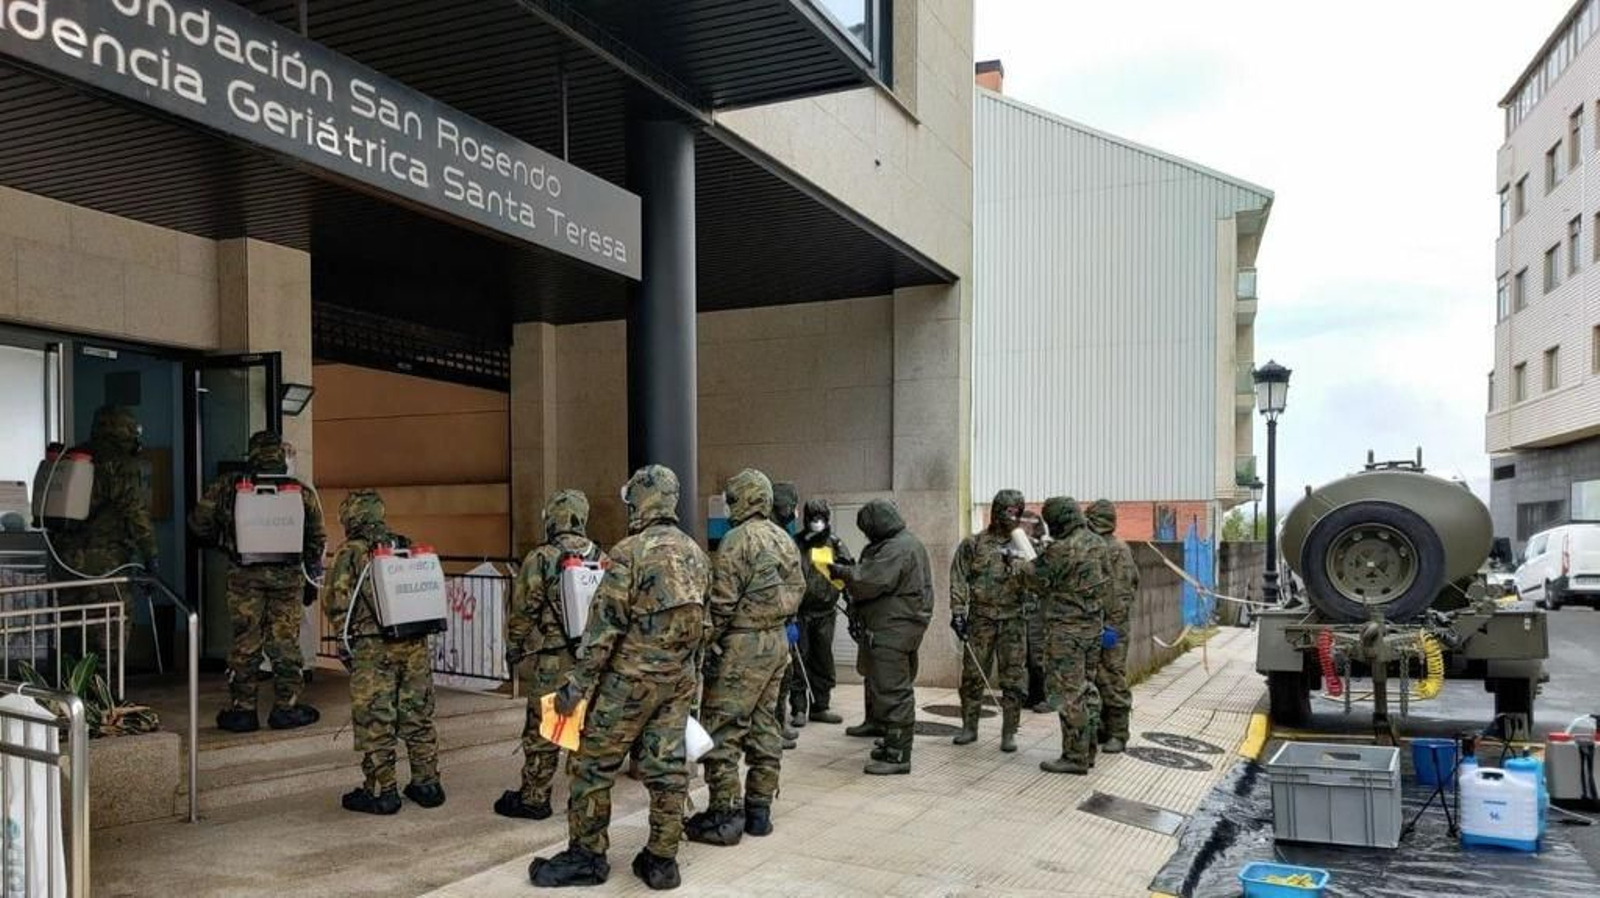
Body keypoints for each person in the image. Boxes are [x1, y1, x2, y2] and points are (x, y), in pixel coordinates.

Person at [530, 465, 709, 891]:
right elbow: (706, 624)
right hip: (677, 682)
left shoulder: (629, 553)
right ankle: (662, 861)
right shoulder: (696, 554)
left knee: (591, 766)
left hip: (627, 684)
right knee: (667, 770)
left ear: (642, 500)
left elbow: (604, 628)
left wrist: (577, 687)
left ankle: (587, 857)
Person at [685, 469, 804, 846]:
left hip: (742, 646)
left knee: (722, 728)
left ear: (743, 499)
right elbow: (798, 588)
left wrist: (705, 642)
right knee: (765, 725)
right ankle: (759, 811)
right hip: (776, 642)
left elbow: (722, 602)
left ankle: (724, 814)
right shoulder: (783, 539)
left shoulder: (737, 540)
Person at [189, 430, 324, 733]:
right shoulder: (298, 491)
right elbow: (316, 537)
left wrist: (224, 541)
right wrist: (309, 573)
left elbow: (199, 522)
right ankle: (286, 708)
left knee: (245, 640)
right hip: (287, 578)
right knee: (284, 641)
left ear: (251, 455)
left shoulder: (229, 486)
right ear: (280, 455)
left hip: (244, 575)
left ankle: (243, 711)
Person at [321, 489, 444, 813]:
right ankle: (427, 785)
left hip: (374, 647)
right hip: (414, 642)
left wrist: (345, 635)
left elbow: (334, 600)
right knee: (417, 715)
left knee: (376, 718)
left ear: (351, 517)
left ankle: (382, 791)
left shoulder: (350, 551)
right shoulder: (403, 544)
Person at [496, 489, 608, 820]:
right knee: (585, 730)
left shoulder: (542, 557)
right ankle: (584, 801)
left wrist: (514, 646)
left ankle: (535, 797)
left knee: (545, 728)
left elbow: (524, 610)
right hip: (594, 660)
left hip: (554, 659)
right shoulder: (601, 557)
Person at [830, 499, 932, 775]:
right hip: (896, 626)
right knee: (886, 685)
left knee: (893, 690)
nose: (866, 535)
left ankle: (898, 754)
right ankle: (891, 742)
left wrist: (840, 571)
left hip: (893, 629)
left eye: (867, 529)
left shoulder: (898, 547)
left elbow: (870, 580)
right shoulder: (902, 543)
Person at [51, 406, 158, 613]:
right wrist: (151, 556)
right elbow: (136, 512)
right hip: (104, 567)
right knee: (109, 628)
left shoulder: (72, 457)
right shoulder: (121, 463)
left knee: (71, 626)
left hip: (64, 562)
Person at [948, 489, 1031, 752]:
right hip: (981, 619)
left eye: (1017, 512)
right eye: (1009, 511)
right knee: (973, 675)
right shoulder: (973, 544)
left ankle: (1009, 732)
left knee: (1013, 678)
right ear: (996, 511)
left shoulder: (1024, 545)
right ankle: (969, 727)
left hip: (1013, 620)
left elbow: (1039, 580)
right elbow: (958, 577)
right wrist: (958, 612)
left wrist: (1020, 566)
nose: (1013, 517)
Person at [1031, 497, 1108, 775]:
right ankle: (1088, 750)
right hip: (1093, 628)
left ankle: (1074, 757)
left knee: (1069, 693)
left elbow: (1035, 578)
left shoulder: (1062, 548)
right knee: (1088, 689)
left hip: (1066, 631)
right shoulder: (1099, 543)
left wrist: (1018, 565)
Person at [791, 498, 853, 724]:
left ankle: (821, 706)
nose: (817, 522)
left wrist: (852, 603)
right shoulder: (796, 543)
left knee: (823, 660)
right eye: (813, 517)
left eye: (821, 518)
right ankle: (799, 708)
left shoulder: (835, 544)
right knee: (799, 660)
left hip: (825, 613)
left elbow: (847, 574)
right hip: (800, 613)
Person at [1087, 500, 1137, 753]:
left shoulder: (1116, 549)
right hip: (1095, 623)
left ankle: (1118, 733)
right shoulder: (1097, 547)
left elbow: (1121, 593)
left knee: (1112, 677)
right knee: (1096, 677)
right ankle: (1102, 728)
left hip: (1111, 626)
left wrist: (1111, 627)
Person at [769, 481, 802, 747]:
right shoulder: (772, 536)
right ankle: (771, 731)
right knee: (775, 679)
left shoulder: (782, 533)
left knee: (785, 675)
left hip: (783, 620)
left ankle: (779, 723)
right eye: (792, 505)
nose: (794, 511)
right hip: (769, 622)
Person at [1020, 511, 1051, 713]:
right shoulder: (1019, 546)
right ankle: (1032, 695)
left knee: (1038, 654)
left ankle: (1044, 695)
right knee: (1027, 655)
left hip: (1039, 610)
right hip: (1023, 609)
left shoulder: (1043, 549)